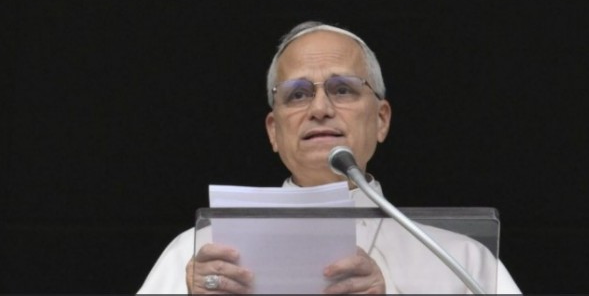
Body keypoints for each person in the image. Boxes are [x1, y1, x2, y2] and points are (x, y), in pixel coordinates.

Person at [138, 21, 521, 294]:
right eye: (298, 94)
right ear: (273, 131)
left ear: (381, 120)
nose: (320, 108)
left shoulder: (462, 260)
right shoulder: (198, 254)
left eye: (343, 89)